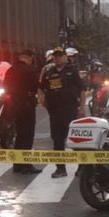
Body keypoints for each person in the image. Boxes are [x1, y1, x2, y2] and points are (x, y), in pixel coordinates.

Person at [39, 44, 82, 178]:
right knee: (57, 140)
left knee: (75, 139)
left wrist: (81, 108)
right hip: (55, 110)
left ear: (65, 57)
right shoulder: (49, 71)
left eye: (60, 56)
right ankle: (60, 168)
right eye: (55, 56)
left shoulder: (72, 70)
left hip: (70, 109)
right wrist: (42, 100)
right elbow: (41, 87)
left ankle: (82, 166)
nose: (57, 58)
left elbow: (82, 89)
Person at [5, 45, 41, 174]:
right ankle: (26, 165)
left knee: (19, 135)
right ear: (30, 58)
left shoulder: (11, 70)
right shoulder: (30, 70)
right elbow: (35, 86)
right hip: (27, 105)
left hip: (14, 105)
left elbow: (6, 86)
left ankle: (17, 164)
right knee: (27, 135)